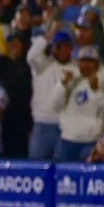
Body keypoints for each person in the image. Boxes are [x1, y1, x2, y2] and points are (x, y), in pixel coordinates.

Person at [52, 45, 104, 162]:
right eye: (83, 61)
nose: (86, 65)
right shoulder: (69, 79)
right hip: (67, 140)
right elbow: (55, 106)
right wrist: (62, 85)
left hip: (92, 141)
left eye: (91, 61)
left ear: (97, 63)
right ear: (78, 62)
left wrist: (96, 91)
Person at [27, 29, 77, 159]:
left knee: (64, 170)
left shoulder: (76, 68)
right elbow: (31, 56)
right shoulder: (43, 64)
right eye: (58, 46)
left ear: (71, 48)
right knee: (37, 170)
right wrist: (45, 38)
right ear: (52, 47)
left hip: (66, 126)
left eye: (66, 46)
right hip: (43, 124)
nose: (63, 50)